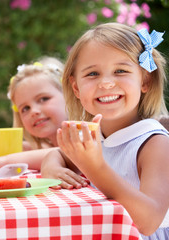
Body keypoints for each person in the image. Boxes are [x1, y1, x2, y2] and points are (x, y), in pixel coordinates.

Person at [41, 23, 169, 238]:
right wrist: (51, 168)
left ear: (145, 80)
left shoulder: (154, 143)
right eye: (92, 74)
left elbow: (148, 221)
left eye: (121, 71)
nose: (107, 83)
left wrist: (95, 167)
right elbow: (57, 153)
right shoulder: (96, 135)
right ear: (76, 88)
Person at [0, 58, 89, 189]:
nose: (33, 111)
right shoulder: (44, 144)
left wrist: (3, 161)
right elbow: (40, 150)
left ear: (69, 95)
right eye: (25, 108)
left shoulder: (85, 134)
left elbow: (62, 152)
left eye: (43, 99)